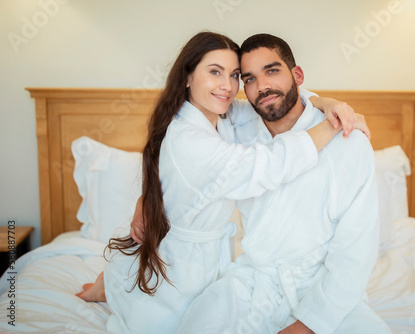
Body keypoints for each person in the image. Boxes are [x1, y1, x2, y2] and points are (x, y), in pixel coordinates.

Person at [76, 32, 368, 333]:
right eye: (216, 72)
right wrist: (333, 125)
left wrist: (327, 103)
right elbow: (269, 165)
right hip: (180, 264)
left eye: (234, 75)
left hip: (219, 258)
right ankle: (113, 287)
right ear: (187, 77)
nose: (228, 86)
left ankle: (110, 284)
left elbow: (281, 103)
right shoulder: (194, 137)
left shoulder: (224, 117)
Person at [174, 34, 391, 334]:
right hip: (253, 280)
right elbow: (178, 153)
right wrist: (145, 200)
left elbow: (356, 251)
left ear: (297, 75)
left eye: (272, 71)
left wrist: (309, 324)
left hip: (324, 287)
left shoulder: (349, 143)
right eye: (248, 78)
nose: (261, 86)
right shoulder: (234, 125)